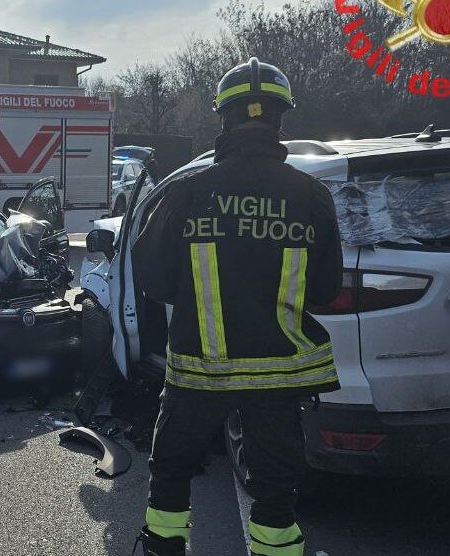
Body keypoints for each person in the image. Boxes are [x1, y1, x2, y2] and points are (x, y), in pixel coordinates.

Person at [131, 58, 343, 556]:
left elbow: (151, 277)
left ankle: (164, 549)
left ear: (222, 120)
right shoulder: (311, 196)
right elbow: (326, 289)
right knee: (275, 486)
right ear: (280, 120)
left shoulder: (188, 192)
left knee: (172, 469)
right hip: (279, 376)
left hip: (199, 371)